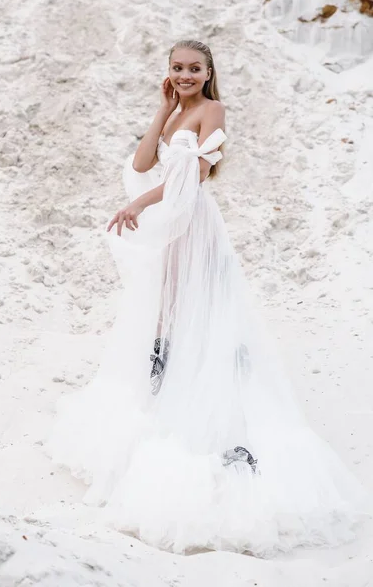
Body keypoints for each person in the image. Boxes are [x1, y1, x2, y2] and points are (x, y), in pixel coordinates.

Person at [46, 40, 370, 557]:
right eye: (177, 68)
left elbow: (189, 178)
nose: (185, 74)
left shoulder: (214, 110)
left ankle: (211, 401)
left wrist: (137, 203)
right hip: (170, 221)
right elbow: (143, 159)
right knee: (163, 313)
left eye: (194, 68)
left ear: (209, 71)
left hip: (192, 223)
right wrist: (163, 108)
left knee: (198, 310)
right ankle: (166, 386)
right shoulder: (178, 111)